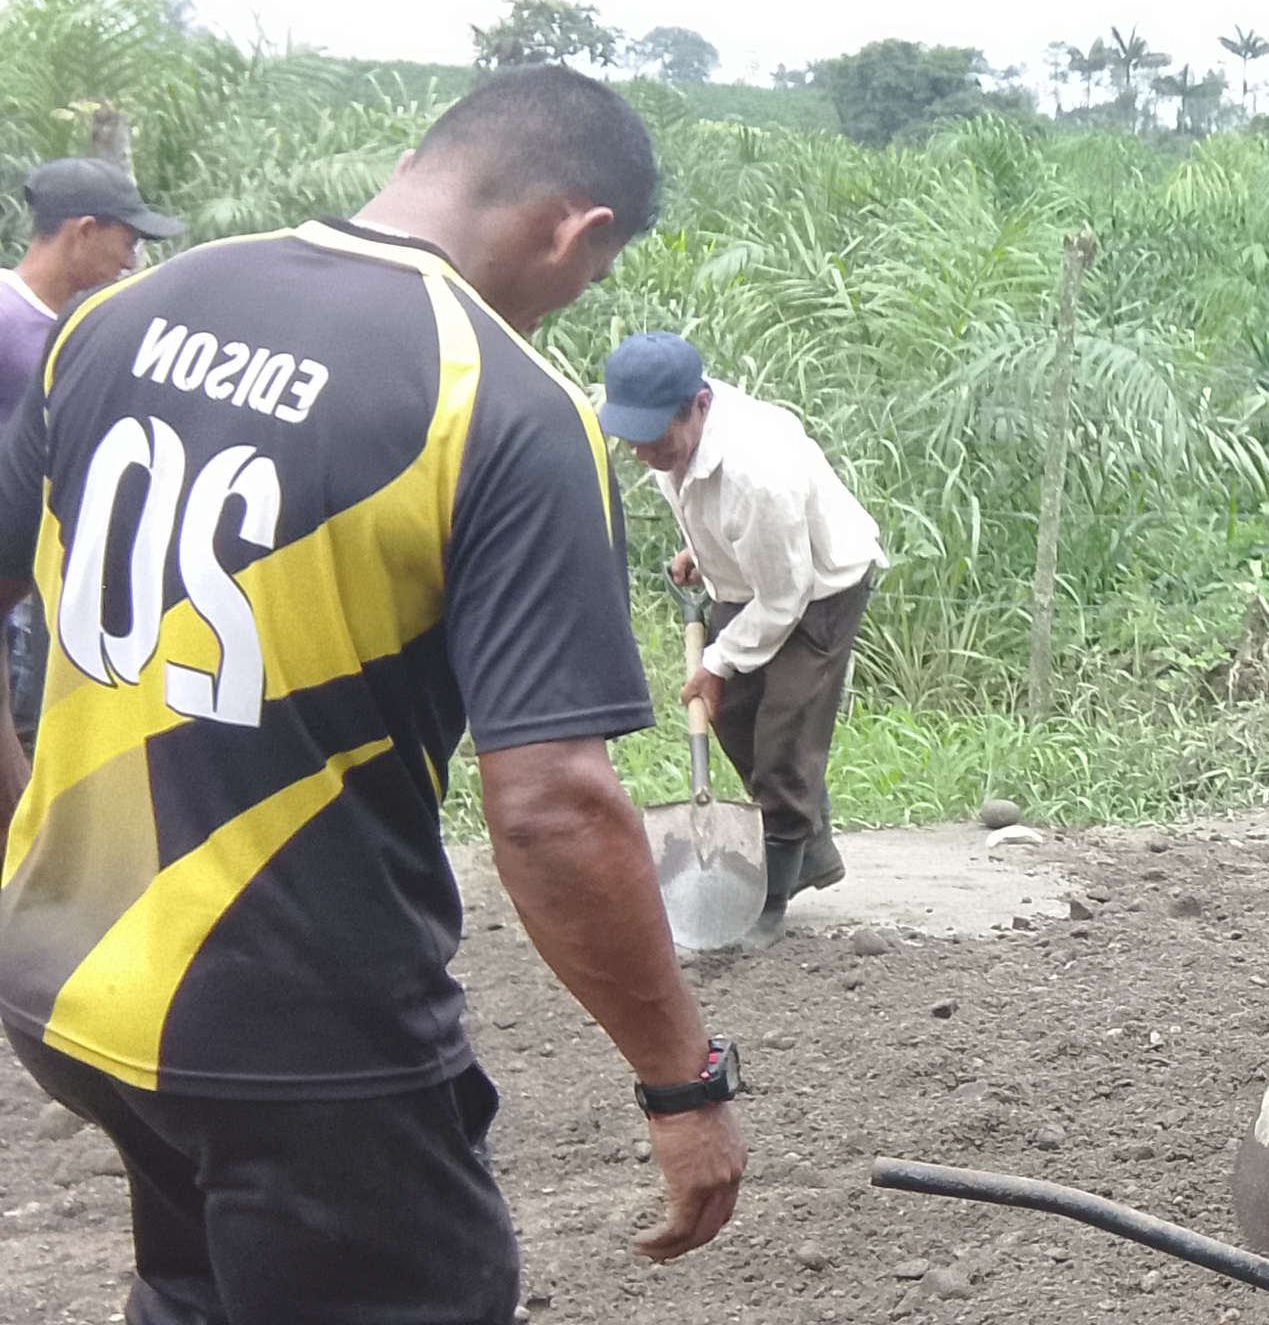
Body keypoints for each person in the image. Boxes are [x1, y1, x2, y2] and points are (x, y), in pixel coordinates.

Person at [0, 66, 745, 1325]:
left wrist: (23, 833)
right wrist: (683, 1082)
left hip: (63, 984)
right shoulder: (500, 405)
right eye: (594, 273)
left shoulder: (121, 313)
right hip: (301, 1039)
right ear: (577, 231)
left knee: (195, 1288)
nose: (575, 297)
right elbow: (553, 810)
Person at [599, 331, 880, 940]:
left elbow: (785, 595)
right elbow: (716, 508)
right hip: (757, 580)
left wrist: (717, 659)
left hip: (819, 590)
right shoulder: (672, 441)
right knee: (730, 715)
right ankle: (811, 849)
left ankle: (773, 895)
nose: (642, 452)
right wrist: (705, 552)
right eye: (631, 437)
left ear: (699, 406)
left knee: (785, 734)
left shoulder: (759, 468)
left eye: (654, 438)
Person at [4, 159, 181, 749]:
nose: (130, 262)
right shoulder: (8, 320)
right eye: (126, 241)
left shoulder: (90, 329)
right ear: (83, 231)